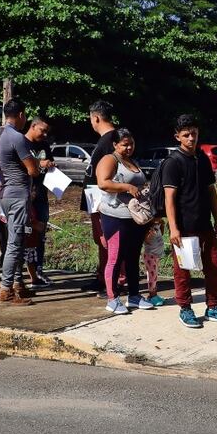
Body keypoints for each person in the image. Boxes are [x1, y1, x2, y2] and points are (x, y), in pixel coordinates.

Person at [161, 114, 217, 328]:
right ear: (177, 137)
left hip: (205, 225)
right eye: (186, 135)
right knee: (183, 269)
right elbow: (169, 198)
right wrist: (173, 228)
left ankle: (213, 307)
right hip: (184, 227)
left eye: (194, 133)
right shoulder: (173, 163)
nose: (191, 138)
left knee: (213, 266)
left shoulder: (202, 158)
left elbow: (210, 191)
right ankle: (185, 309)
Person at [96, 128, 152, 314]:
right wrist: (127, 187)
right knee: (115, 257)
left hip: (135, 217)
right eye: (124, 144)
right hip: (115, 216)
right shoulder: (110, 160)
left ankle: (134, 296)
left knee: (132, 257)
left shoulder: (131, 161)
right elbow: (103, 182)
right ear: (115, 145)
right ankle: (112, 299)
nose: (129, 147)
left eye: (131, 144)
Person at [0, 99, 39, 305]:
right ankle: (6, 289)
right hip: (18, 193)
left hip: (5, 193)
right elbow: (32, 169)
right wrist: (40, 165)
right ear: (21, 115)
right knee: (14, 242)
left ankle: (18, 284)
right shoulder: (16, 137)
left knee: (17, 240)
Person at [83, 100, 118, 296]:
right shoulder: (105, 139)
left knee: (108, 239)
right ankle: (101, 275)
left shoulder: (111, 139)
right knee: (101, 239)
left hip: (103, 198)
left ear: (95, 118)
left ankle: (114, 279)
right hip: (95, 197)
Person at [24, 117, 54, 288]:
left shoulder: (44, 145)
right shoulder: (22, 143)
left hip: (42, 194)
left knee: (40, 234)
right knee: (26, 234)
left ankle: (39, 271)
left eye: (46, 131)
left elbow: (46, 163)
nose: (44, 134)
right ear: (33, 126)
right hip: (26, 196)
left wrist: (49, 164)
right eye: (42, 130)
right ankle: (26, 274)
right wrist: (38, 163)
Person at [141, 221, 166, 307]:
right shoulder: (148, 227)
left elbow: (161, 234)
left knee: (155, 275)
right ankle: (152, 295)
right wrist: (150, 232)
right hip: (150, 255)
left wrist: (162, 225)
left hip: (157, 255)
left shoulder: (158, 225)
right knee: (152, 276)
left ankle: (155, 294)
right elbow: (146, 240)